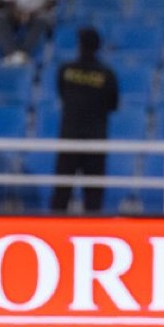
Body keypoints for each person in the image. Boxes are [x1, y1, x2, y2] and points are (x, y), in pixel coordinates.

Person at [51, 27, 118, 214]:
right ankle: (94, 228)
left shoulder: (66, 70)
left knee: (61, 193)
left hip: (69, 138)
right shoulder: (106, 74)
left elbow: (62, 95)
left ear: (79, 45)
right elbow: (113, 104)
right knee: (93, 195)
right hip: (95, 140)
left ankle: (55, 227)